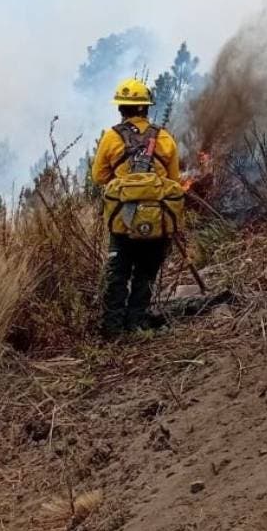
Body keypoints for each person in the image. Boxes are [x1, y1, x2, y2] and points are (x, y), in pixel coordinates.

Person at [91, 77, 182, 338]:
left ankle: (113, 329)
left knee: (118, 274)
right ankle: (137, 323)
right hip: (158, 221)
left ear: (121, 109)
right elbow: (173, 181)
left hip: (122, 221)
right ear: (146, 108)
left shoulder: (111, 138)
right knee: (146, 273)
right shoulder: (164, 138)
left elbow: (98, 177)